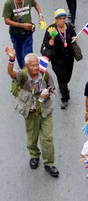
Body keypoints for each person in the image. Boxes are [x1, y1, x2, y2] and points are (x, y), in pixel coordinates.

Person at [6, 47, 59, 178]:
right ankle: (34, 155)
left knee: (47, 138)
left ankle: (49, 163)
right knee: (32, 138)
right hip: (30, 113)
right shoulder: (22, 74)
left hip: (45, 111)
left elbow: (52, 86)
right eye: (33, 65)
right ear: (27, 65)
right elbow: (11, 73)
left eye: (37, 64)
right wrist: (11, 59)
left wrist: (49, 92)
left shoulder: (45, 74)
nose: (36, 67)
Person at [3, 0, 45, 69]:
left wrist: (40, 15)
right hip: (15, 34)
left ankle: (28, 71)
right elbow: (6, 21)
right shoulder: (9, 4)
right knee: (18, 53)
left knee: (27, 54)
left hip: (27, 32)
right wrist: (22, 25)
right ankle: (23, 71)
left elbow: (35, 4)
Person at [40, 8, 77, 109]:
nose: (62, 21)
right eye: (60, 19)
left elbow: (73, 35)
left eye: (64, 18)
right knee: (62, 80)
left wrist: (74, 38)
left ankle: (64, 86)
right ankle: (65, 98)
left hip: (69, 57)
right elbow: (45, 42)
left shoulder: (69, 27)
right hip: (57, 59)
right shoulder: (51, 29)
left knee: (68, 77)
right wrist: (50, 43)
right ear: (56, 19)